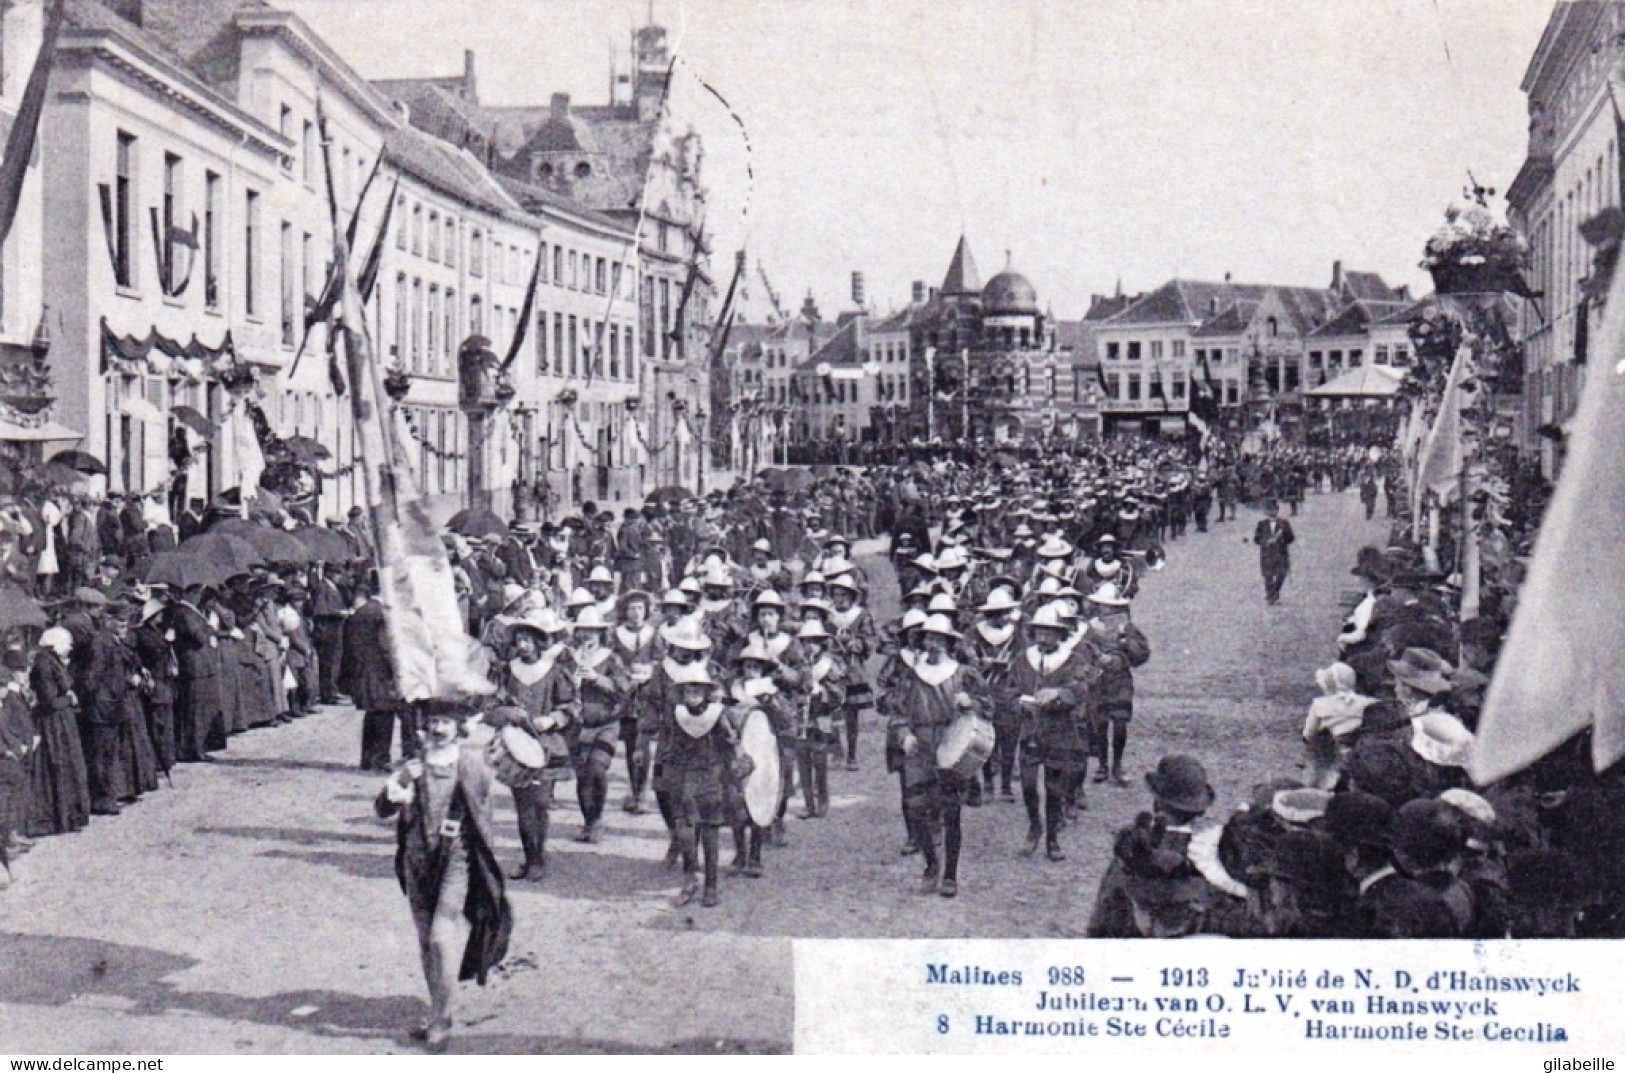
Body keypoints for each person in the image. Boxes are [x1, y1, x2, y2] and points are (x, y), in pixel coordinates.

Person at [374, 698, 512, 1052]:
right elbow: (382, 809)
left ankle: (444, 1018)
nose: (437, 729)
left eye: (445, 723)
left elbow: (502, 783)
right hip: (417, 861)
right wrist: (403, 780)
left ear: (459, 727)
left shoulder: (471, 762)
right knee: (425, 941)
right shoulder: (413, 765)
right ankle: (438, 1011)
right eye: (433, 721)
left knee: (441, 937)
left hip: (456, 860)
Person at [887, 613, 986, 898]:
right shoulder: (910, 676)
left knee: (951, 811)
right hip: (919, 746)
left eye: (940, 639)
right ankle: (931, 862)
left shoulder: (963, 673)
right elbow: (897, 712)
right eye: (929, 638)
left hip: (951, 741)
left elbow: (989, 703)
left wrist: (972, 703)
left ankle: (950, 874)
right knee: (916, 809)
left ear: (949, 643)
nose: (934, 644)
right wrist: (903, 734)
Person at [491, 609, 576, 881]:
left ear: (540, 642)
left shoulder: (555, 672)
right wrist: (506, 714)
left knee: (539, 802)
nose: (524, 646)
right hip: (516, 746)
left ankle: (538, 856)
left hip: (547, 745)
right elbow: (491, 704)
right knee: (523, 804)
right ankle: (531, 857)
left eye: (529, 640)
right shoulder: (508, 671)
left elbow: (572, 705)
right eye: (520, 640)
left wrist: (552, 719)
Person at [1008, 604, 1095, 861]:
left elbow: (1081, 688)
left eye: (1050, 633)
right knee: (1028, 785)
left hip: (1060, 731)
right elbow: (1009, 690)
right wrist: (1018, 702)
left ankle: (1052, 839)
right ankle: (1035, 824)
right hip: (1030, 731)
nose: (1044, 638)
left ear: (1061, 634)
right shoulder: (1023, 659)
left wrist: (1058, 694)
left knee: (1054, 788)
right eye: (1040, 632)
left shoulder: (1073, 660)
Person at [1081, 583, 1150, 786]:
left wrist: (1126, 643)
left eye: (1109, 606)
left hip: (1120, 680)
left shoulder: (1127, 626)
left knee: (1120, 723)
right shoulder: (1090, 627)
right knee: (1100, 724)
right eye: (1102, 605)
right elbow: (1081, 652)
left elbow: (1141, 654)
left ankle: (1117, 764)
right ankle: (1103, 764)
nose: (1105, 609)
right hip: (1099, 681)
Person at [342, 580, 406, 772]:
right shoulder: (383, 615)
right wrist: (398, 672)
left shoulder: (360, 613)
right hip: (380, 673)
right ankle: (380, 758)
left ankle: (367, 758)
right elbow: (387, 649)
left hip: (362, 671)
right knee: (384, 715)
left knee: (372, 715)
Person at [1253, 499, 1295, 605]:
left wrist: (1283, 538)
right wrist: (1266, 542)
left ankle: (1275, 591)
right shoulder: (1261, 524)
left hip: (1281, 553)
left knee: (1282, 574)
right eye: (1269, 510)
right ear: (1265, 511)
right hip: (1267, 554)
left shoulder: (1284, 523)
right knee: (1268, 576)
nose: (1272, 512)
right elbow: (1256, 539)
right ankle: (1271, 596)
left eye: (1274, 509)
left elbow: (1290, 538)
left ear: (1277, 510)